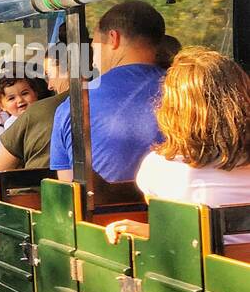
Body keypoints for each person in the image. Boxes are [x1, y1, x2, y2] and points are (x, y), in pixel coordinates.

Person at [105, 47, 250, 246]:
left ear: (173, 109)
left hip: (203, 275)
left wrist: (147, 231)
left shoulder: (158, 169)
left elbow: (176, 233)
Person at [50, 0, 167, 183]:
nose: (93, 60)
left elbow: (68, 189)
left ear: (113, 38)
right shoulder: (189, 94)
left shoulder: (75, 106)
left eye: (94, 47)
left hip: (104, 211)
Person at [0, 55, 70, 171]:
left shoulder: (38, 112)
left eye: (49, 75)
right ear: (1, 105)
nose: (50, 86)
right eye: (11, 98)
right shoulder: (11, 123)